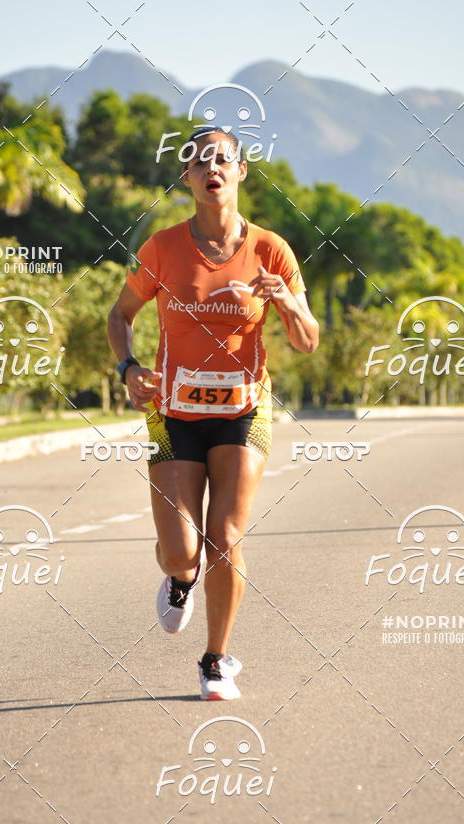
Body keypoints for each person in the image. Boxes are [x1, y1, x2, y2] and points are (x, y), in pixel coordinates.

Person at [107, 126, 319, 700]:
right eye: (199, 163)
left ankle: (216, 659)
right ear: (187, 178)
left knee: (225, 535)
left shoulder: (271, 250)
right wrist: (128, 368)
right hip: (172, 412)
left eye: (222, 159)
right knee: (183, 552)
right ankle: (180, 579)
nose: (212, 169)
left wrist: (288, 302)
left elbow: (307, 341)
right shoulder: (162, 248)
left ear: (241, 171)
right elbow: (120, 315)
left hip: (243, 410)